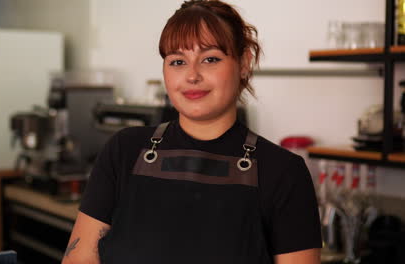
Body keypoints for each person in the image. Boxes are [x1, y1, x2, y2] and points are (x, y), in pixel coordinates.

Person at [62, 0, 322, 263]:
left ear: (244, 63)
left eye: (210, 59)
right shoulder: (124, 151)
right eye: (177, 61)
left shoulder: (284, 173)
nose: (192, 75)